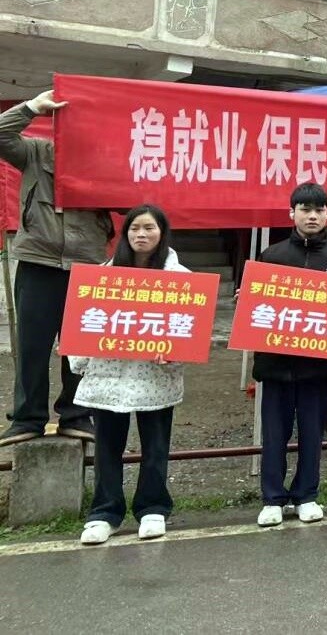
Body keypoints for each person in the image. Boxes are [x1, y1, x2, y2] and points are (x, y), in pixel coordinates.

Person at [0, 90, 113, 447]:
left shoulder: (106, 162)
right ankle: (27, 418)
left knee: (80, 346)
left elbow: (137, 192)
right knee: (32, 345)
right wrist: (31, 107)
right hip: (39, 259)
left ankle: (76, 415)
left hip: (87, 262)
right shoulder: (36, 152)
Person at [70, 204, 187, 545]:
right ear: (125, 233)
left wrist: (176, 354)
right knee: (107, 447)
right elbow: (83, 322)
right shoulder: (101, 277)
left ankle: (153, 508)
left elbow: (190, 328)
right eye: (135, 228)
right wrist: (80, 361)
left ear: (162, 233)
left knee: (155, 446)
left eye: (149, 228)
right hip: (108, 375)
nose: (141, 234)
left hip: (155, 376)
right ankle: (104, 512)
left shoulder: (180, 279)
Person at [253, 183, 327, 527]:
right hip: (276, 364)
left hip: (318, 366)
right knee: (274, 435)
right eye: (305, 209)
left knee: (312, 434)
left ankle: (306, 495)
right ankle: (272, 498)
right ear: (292, 213)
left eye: (318, 210)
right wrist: (247, 301)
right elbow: (257, 309)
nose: (312, 216)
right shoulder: (272, 255)